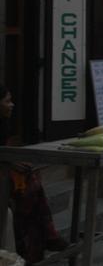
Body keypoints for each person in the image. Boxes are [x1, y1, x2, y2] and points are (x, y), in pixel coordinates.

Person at [0, 85, 67, 263]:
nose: (12, 105)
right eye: (7, 101)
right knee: (29, 192)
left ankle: (38, 243)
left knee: (33, 185)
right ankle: (43, 239)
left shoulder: (4, 125)